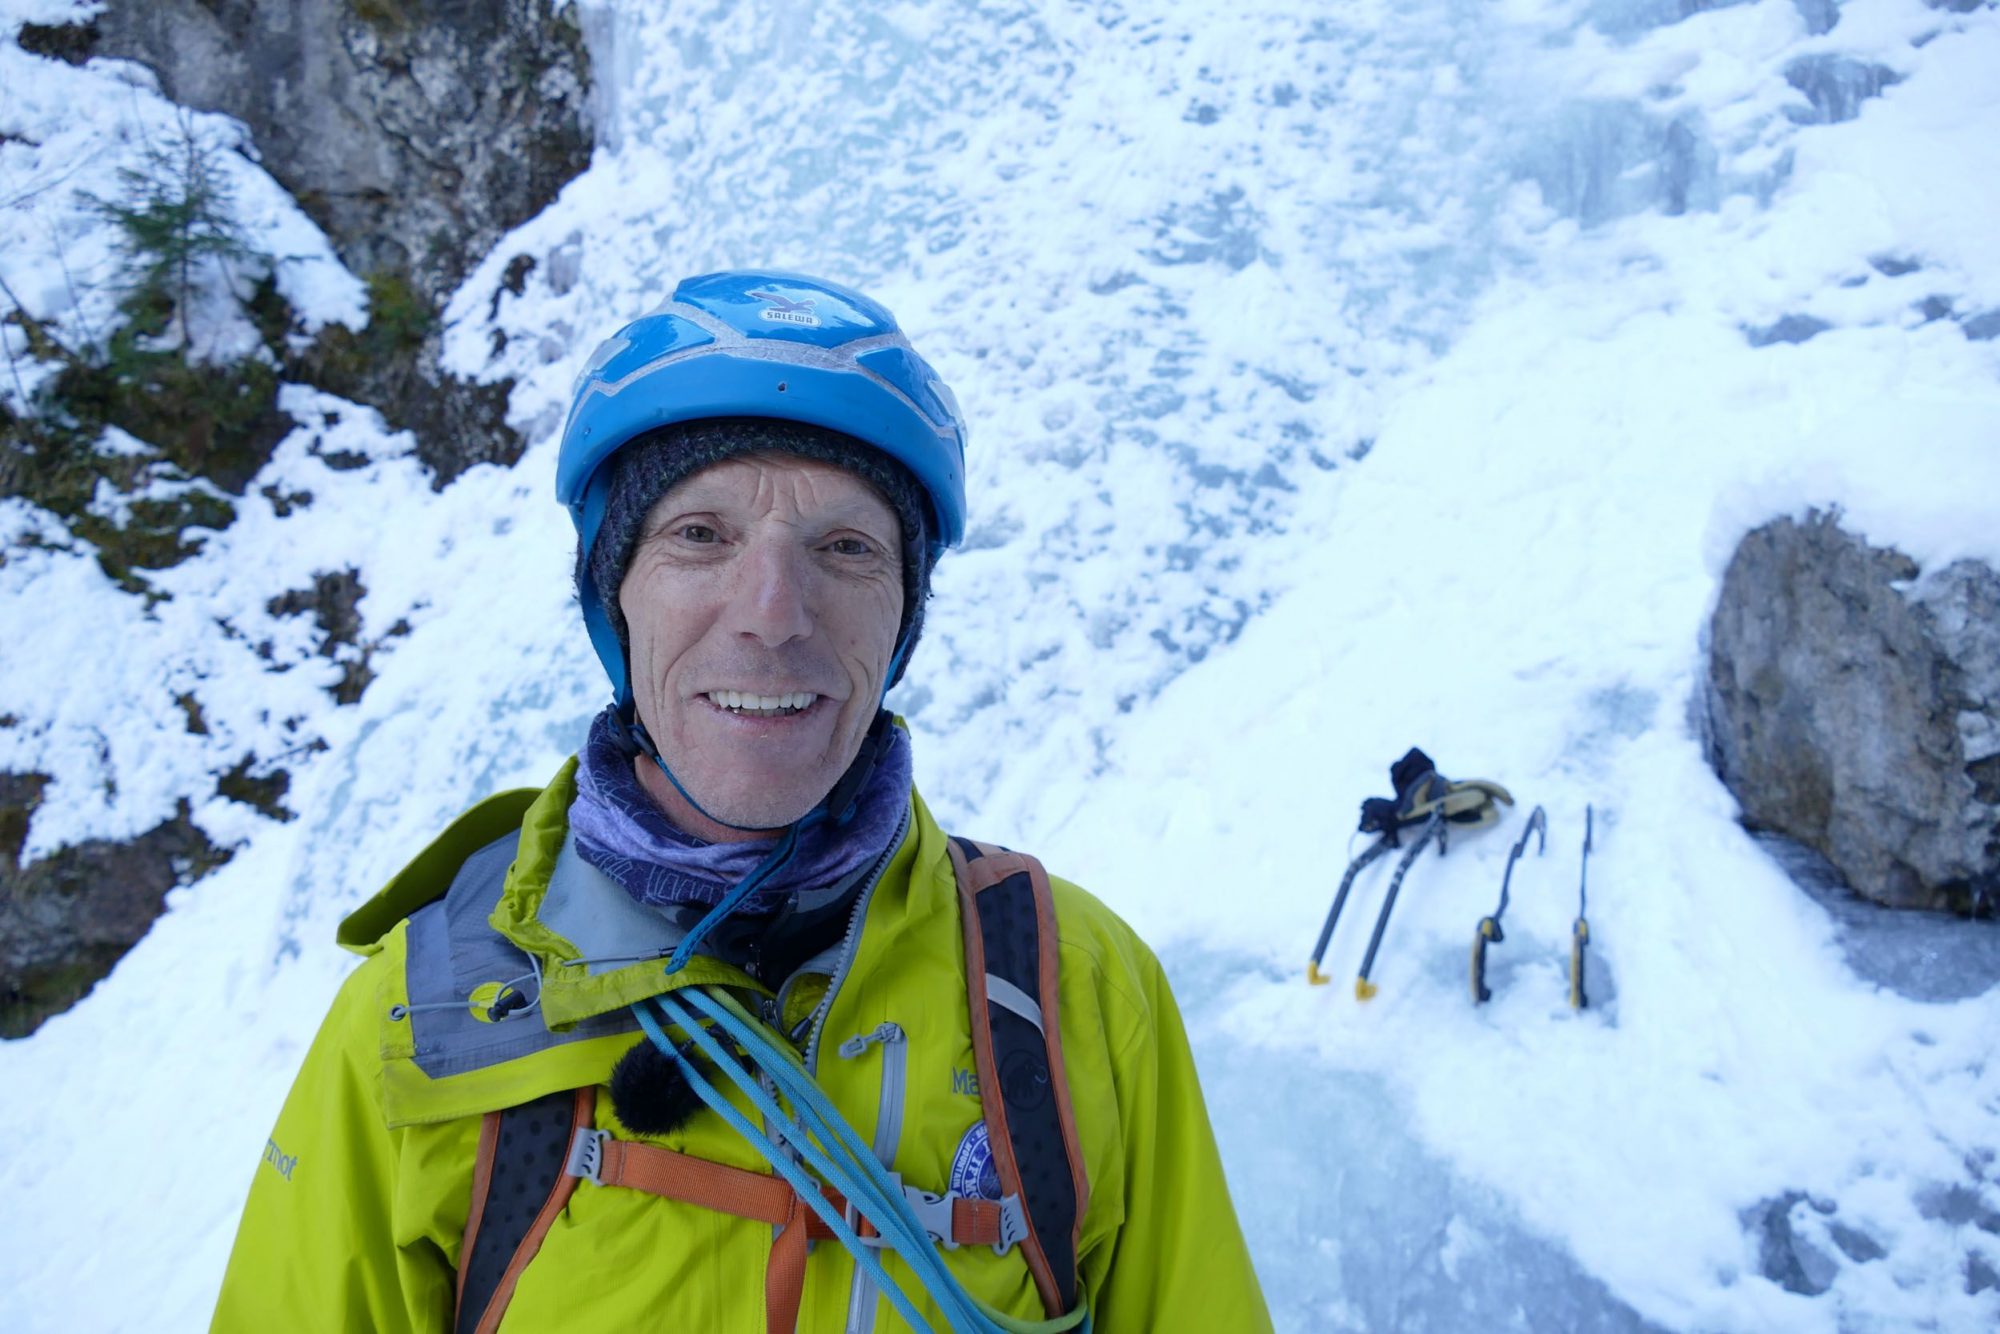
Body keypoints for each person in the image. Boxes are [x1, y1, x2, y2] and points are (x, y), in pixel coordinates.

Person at [212, 270, 1271, 1333]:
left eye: (845, 548)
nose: (772, 614)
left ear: (900, 619)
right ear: (611, 596)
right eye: (699, 535)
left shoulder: (1071, 986)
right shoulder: (422, 1019)